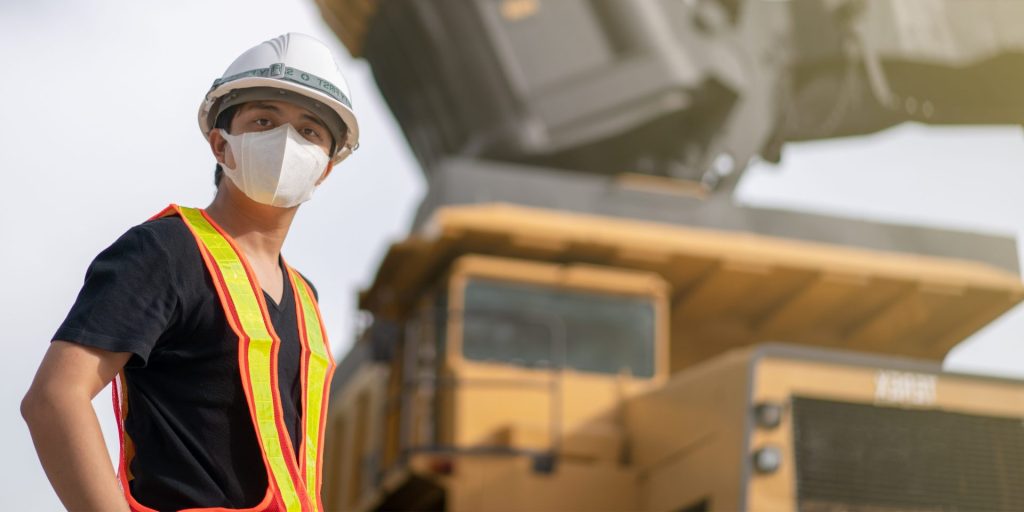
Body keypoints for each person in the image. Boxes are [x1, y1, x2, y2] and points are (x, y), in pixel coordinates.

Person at [21, 32, 359, 512]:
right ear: (221, 144)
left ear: (325, 167)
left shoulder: (306, 298)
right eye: (264, 120)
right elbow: (55, 398)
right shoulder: (165, 252)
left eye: (310, 131)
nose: (287, 141)